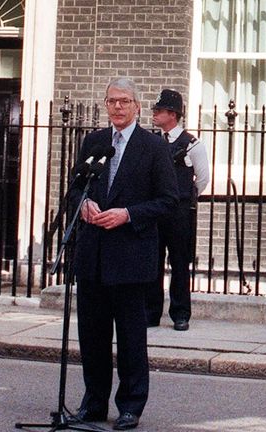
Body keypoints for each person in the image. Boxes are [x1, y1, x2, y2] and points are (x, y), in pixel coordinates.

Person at [69, 78, 177, 430]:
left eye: (125, 101)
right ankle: (94, 403)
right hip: (94, 256)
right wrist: (83, 204)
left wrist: (128, 214)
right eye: (112, 101)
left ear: (137, 107)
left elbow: (167, 201)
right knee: (93, 336)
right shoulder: (94, 142)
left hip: (131, 256)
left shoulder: (153, 147)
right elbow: (74, 189)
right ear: (105, 104)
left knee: (131, 337)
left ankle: (131, 405)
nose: (118, 107)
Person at [145, 89, 211, 331]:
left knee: (180, 263)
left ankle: (180, 313)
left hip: (179, 210)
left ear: (172, 114)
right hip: (156, 209)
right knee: (153, 261)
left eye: (159, 110)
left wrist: (184, 196)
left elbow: (202, 179)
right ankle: (151, 312)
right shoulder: (155, 142)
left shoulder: (193, 145)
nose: (154, 113)